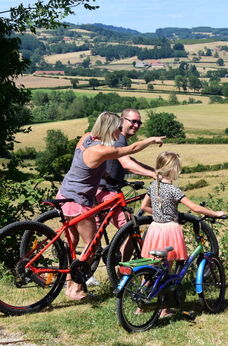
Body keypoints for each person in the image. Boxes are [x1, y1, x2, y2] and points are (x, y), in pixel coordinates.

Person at [56, 111, 165, 300]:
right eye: (117, 128)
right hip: (78, 201)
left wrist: (104, 176)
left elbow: (87, 166)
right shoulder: (101, 150)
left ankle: (69, 284)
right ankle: (75, 290)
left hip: (64, 194)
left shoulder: (86, 139)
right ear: (111, 129)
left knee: (72, 244)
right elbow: (131, 150)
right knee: (92, 246)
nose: (119, 132)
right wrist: (152, 140)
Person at [140, 151, 225, 317]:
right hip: (170, 230)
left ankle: (141, 305)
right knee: (167, 269)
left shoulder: (153, 186)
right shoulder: (173, 190)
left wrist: (160, 214)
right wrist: (216, 213)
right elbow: (195, 208)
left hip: (155, 228)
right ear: (172, 169)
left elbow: (144, 207)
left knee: (151, 268)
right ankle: (164, 309)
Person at [96, 108, 156, 229]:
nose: (136, 125)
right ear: (122, 121)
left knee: (94, 234)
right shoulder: (119, 140)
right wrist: (153, 175)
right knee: (129, 230)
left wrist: (154, 170)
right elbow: (127, 164)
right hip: (107, 191)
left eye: (139, 123)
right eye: (133, 121)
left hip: (100, 190)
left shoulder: (118, 138)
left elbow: (130, 161)